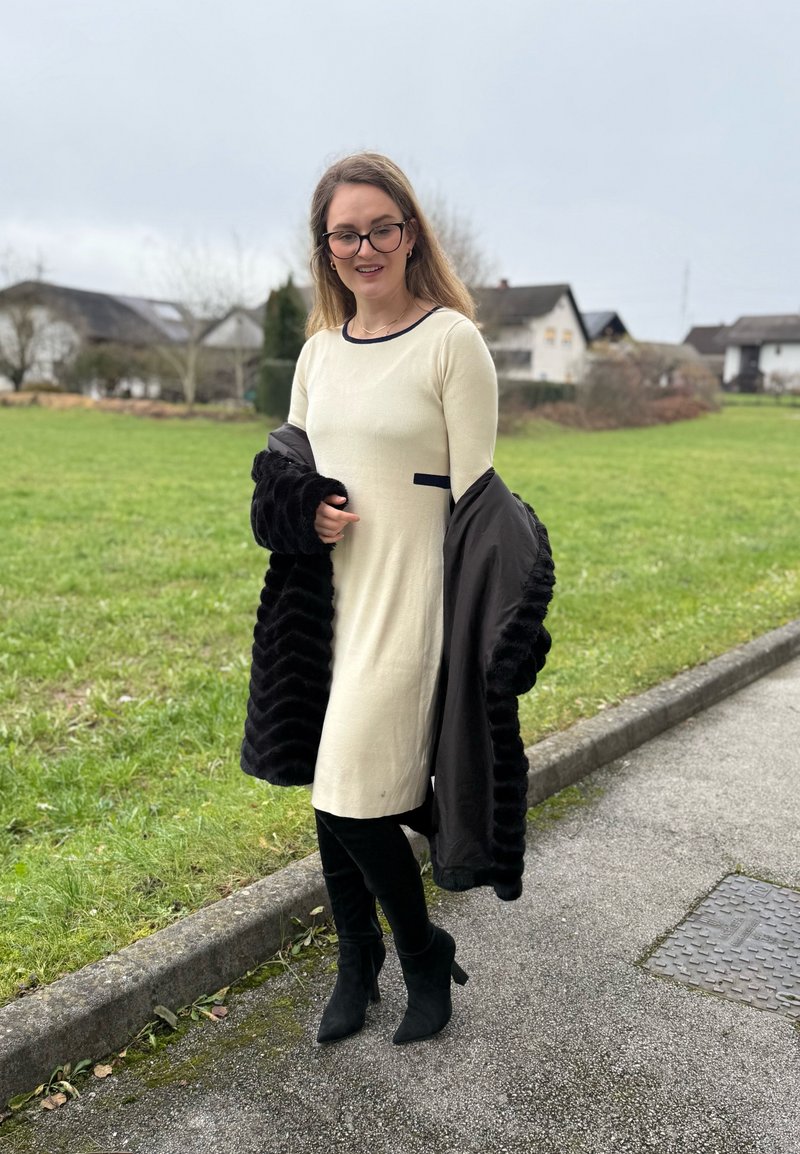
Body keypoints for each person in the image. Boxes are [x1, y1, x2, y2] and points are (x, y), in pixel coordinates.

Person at [241, 152, 554, 1047]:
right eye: (347, 232)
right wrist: (300, 510)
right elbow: (281, 478)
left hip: (412, 604)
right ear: (325, 247)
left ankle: (418, 949)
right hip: (325, 608)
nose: (366, 245)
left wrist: (505, 633)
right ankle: (358, 962)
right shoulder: (315, 354)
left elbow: (485, 510)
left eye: (383, 227)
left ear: (410, 233)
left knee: (350, 797)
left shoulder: (452, 342)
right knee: (331, 791)